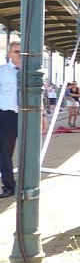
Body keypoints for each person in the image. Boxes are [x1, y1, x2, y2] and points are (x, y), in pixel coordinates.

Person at [0, 42, 21, 198]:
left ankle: (28, 183)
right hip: (8, 117)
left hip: (28, 117)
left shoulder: (31, 71)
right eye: (17, 51)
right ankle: (9, 186)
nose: (20, 54)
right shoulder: (2, 72)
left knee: (30, 151)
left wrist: (41, 116)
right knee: (5, 153)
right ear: (9, 54)